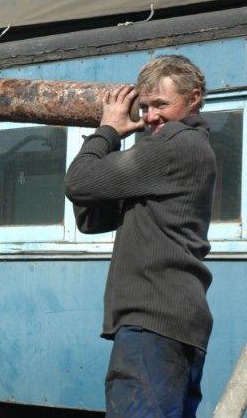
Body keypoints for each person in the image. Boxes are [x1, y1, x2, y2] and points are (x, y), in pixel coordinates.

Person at [64, 55, 216, 417]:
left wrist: (108, 131)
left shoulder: (177, 144)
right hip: (169, 323)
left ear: (193, 98)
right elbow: (90, 214)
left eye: (161, 104)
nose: (150, 117)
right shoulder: (175, 154)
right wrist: (109, 142)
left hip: (153, 322)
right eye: (144, 107)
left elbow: (78, 182)